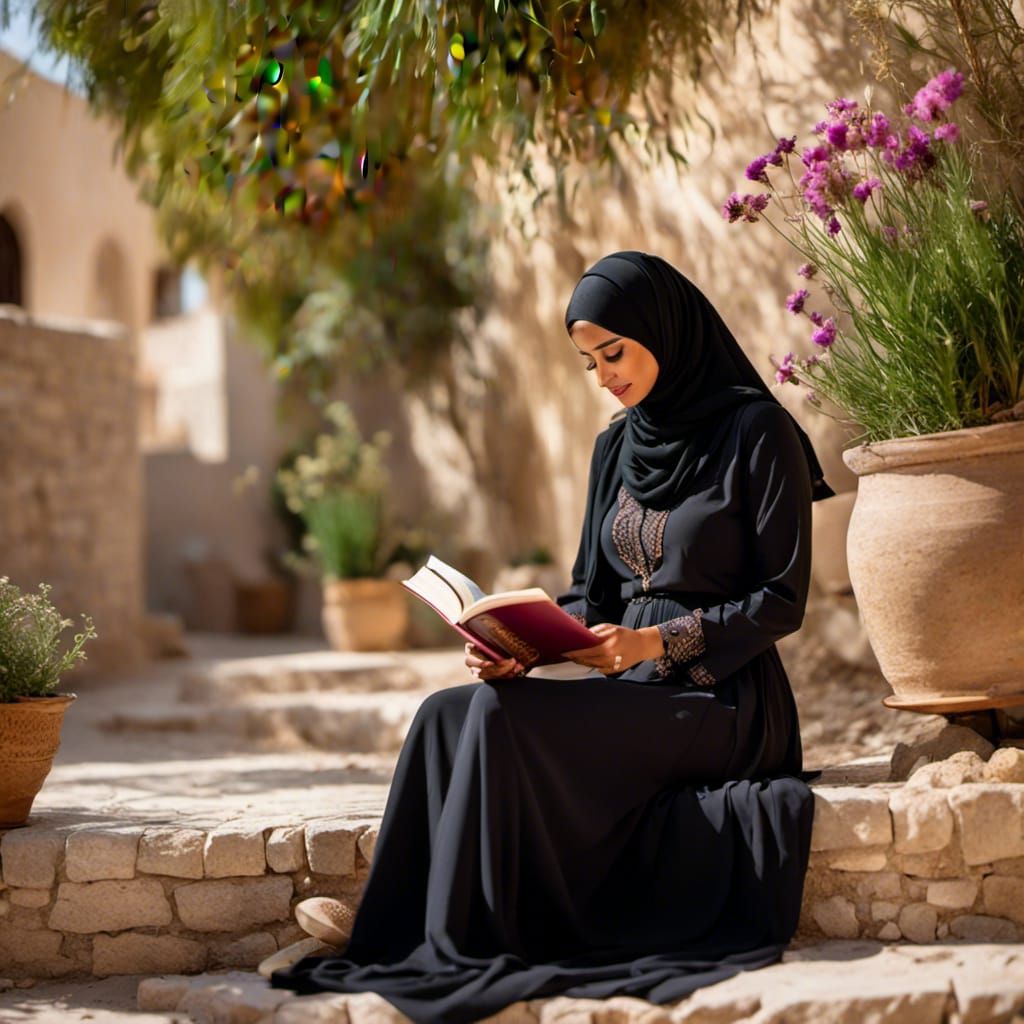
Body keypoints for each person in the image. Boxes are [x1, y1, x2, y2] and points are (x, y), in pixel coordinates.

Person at [268, 250, 835, 1023]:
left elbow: (781, 602)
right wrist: (518, 646)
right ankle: (397, 933)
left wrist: (655, 644)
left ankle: (466, 943)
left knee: (499, 722)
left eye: (614, 353)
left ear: (664, 331)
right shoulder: (615, 447)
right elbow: (588, 592)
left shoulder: (756, 432)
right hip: (624, 686)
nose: (603, 376)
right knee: (444, 715)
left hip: (721, 697)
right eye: (589, 362)